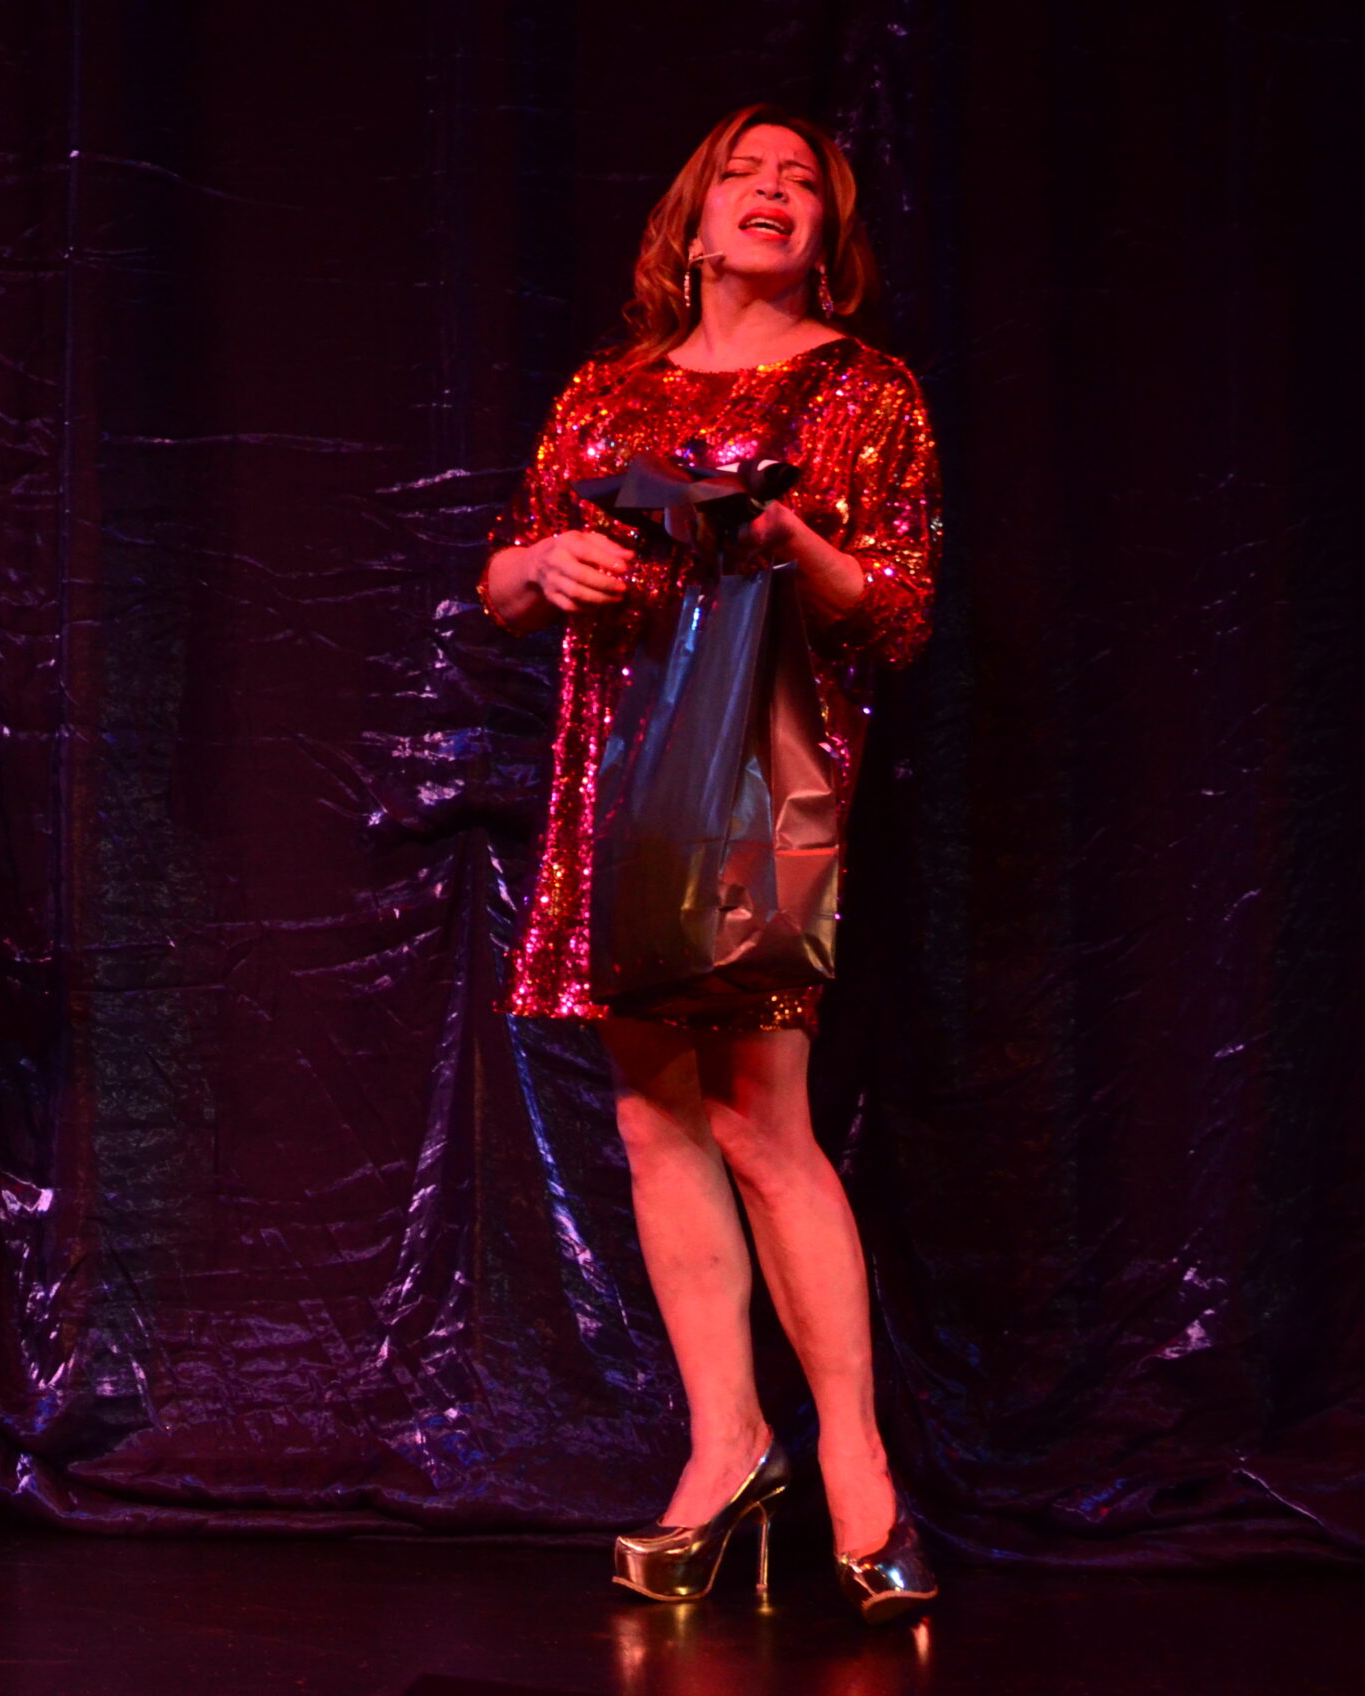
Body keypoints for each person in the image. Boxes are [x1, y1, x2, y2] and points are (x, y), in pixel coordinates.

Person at [479, 107, 940, 1624]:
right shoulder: (606, 390)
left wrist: (786, 536)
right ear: (690, 223)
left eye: (802, 182)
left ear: (828, 237)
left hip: (758, 775)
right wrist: (544, 566)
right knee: (649, 1111)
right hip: (614, 774)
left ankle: (857, 1465)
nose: (772, 193)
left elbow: (896, 611)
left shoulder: (864, 391)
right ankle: (726, 1444)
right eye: (745, 174)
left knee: (761, 1117)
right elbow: (503, 579)